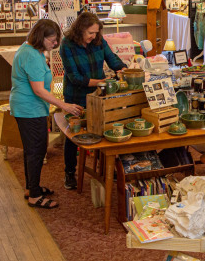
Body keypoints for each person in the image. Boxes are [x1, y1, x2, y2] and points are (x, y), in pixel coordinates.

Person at [10, 19, 82, 208]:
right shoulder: (32, 56)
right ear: (40, 37)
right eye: (51, 40)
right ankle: (34, 195)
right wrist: (63, 105)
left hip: (28, 107)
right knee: (36, 150)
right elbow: (39, 90)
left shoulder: (30, 51)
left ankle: (31, 187)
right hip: (29, 109)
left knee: (33, 150)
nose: (55, 44)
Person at [59, 11, 127, 190]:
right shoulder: (66, 44)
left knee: (104, 128)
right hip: (76, 95)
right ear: (80, 29)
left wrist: (122, 69)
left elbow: (112, 59)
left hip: (98, 93)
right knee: (74, 134)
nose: (93, 36)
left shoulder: (98, 41)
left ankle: (107, 167)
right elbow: (75, 78)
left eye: (96, 33)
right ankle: (69, 172)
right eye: (90, 33)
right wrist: (102, 82)